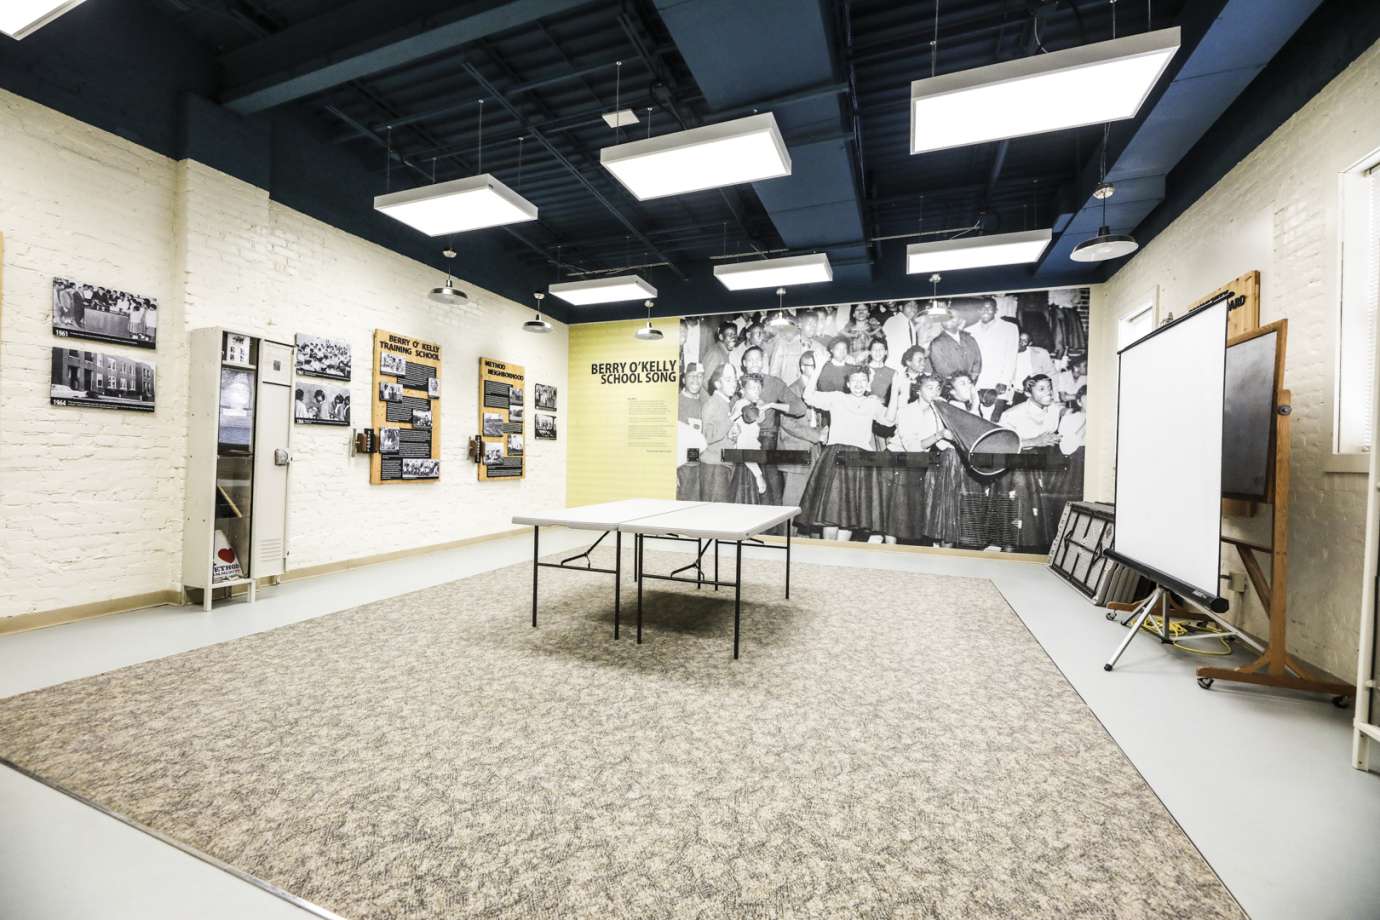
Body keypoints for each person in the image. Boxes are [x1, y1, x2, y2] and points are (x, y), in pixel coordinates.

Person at [797, 363, 905, 541]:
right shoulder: (837, 398)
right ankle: (827, 555)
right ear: (847, 383)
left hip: (860, 460)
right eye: (854, 380)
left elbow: (889, 420)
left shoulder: (872, 403)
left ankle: (840, 557)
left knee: (849, 515)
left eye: (863, 380)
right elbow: (808, 396)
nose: (858, 384)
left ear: (868, 384)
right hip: (836, 457)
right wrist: (817, 368)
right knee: (831, 514)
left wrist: (895, 389)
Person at [885, 375, 952, 545]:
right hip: (897, 459)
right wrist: (939, 435)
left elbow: (944, 444)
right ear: (918, 391)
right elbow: (912, 447)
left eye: (938, 388)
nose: (935, 391)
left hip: (919, 462)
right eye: (930, 387)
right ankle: (889, 552)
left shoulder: (938, 412)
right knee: (895, 512)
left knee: (913, 514)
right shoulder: (906, 411)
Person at [999, 374, 1063, 551]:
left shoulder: (1055, 410)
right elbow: (1002, 444)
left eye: (1049, 388)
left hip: (1043, 471)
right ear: (1028, 392)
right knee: (1017, 525)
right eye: (1041, 389)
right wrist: (1035, 441)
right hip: (1018, 472)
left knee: (1041, 529)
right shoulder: (1011, 414)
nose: (1048, 393)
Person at [778, 351, 825, 521]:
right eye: (812, 366)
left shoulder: (819, 389)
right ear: (802, 367)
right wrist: (817, 435)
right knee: (792, 504)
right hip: (795, 451)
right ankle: (786, 542)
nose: (815, 370)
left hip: (814, 451)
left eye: (817, 366)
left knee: (809, 504)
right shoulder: (791, 390)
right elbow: (788, 423)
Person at [697, 363, 739, 502]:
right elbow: (707, 436)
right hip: (714, 467)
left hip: (723, 464)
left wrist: (733, 432)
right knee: (715, 514)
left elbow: (721, 430)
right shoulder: (712, 404)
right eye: (728, 380)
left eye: (734, 379)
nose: (733, 384)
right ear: (717, 383)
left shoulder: (724, 402)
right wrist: (732, 418)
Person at [968, 300, 1019, 399]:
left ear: (996, 310)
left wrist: (1005, 381)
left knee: (995, 414)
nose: (985, 311)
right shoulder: (969, 330)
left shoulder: (1010, 328)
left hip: (998, 383)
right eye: (982, 308)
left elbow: (1011, 357)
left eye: (989, 308)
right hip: (975, 383)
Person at [677, 362, 708, 500]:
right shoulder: (676, 402)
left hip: (699, 465)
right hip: (682, 467)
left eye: (700, 376)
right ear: (683, 379)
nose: (696, 380)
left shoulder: (705, 404)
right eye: (692, 376)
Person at [927, 310, 982, 383]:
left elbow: (977, 362)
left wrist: (971, 379)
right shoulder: (936, 343)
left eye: (952, 317)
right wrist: (961, 383)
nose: (948, 319)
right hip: (949, 386)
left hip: (970, 384)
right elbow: (942, 370)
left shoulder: (970, 339)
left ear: (959, 320)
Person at [1010, 332, 1055, 404]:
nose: (1020, 343)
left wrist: (1053, 397)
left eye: (1024, 341)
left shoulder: (1041, 353)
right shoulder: (1007, 353)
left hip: (1032, 395)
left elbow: (1052, 374)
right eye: (1019, 339)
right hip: (1012, 394)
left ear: (1030, 343)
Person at [882, 300, 921, 371]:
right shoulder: (893, 321)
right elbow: (884, 344)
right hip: (894, 367)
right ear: (900, 307)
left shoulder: (911, 324)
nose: (913, 308)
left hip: (906, 368)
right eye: (909, 305)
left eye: (915, 306)